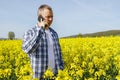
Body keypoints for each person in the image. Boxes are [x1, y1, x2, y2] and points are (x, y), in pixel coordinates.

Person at [22, 4, 64, 79]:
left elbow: (59, 54)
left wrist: (61, 69)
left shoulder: (54, 33)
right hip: (39, 76)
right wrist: (41, 30)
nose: (51, 19)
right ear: (40, 18)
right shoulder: (30, 32)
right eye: (48, 17)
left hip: (55, 76)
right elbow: (27, 49)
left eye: (52, 16)